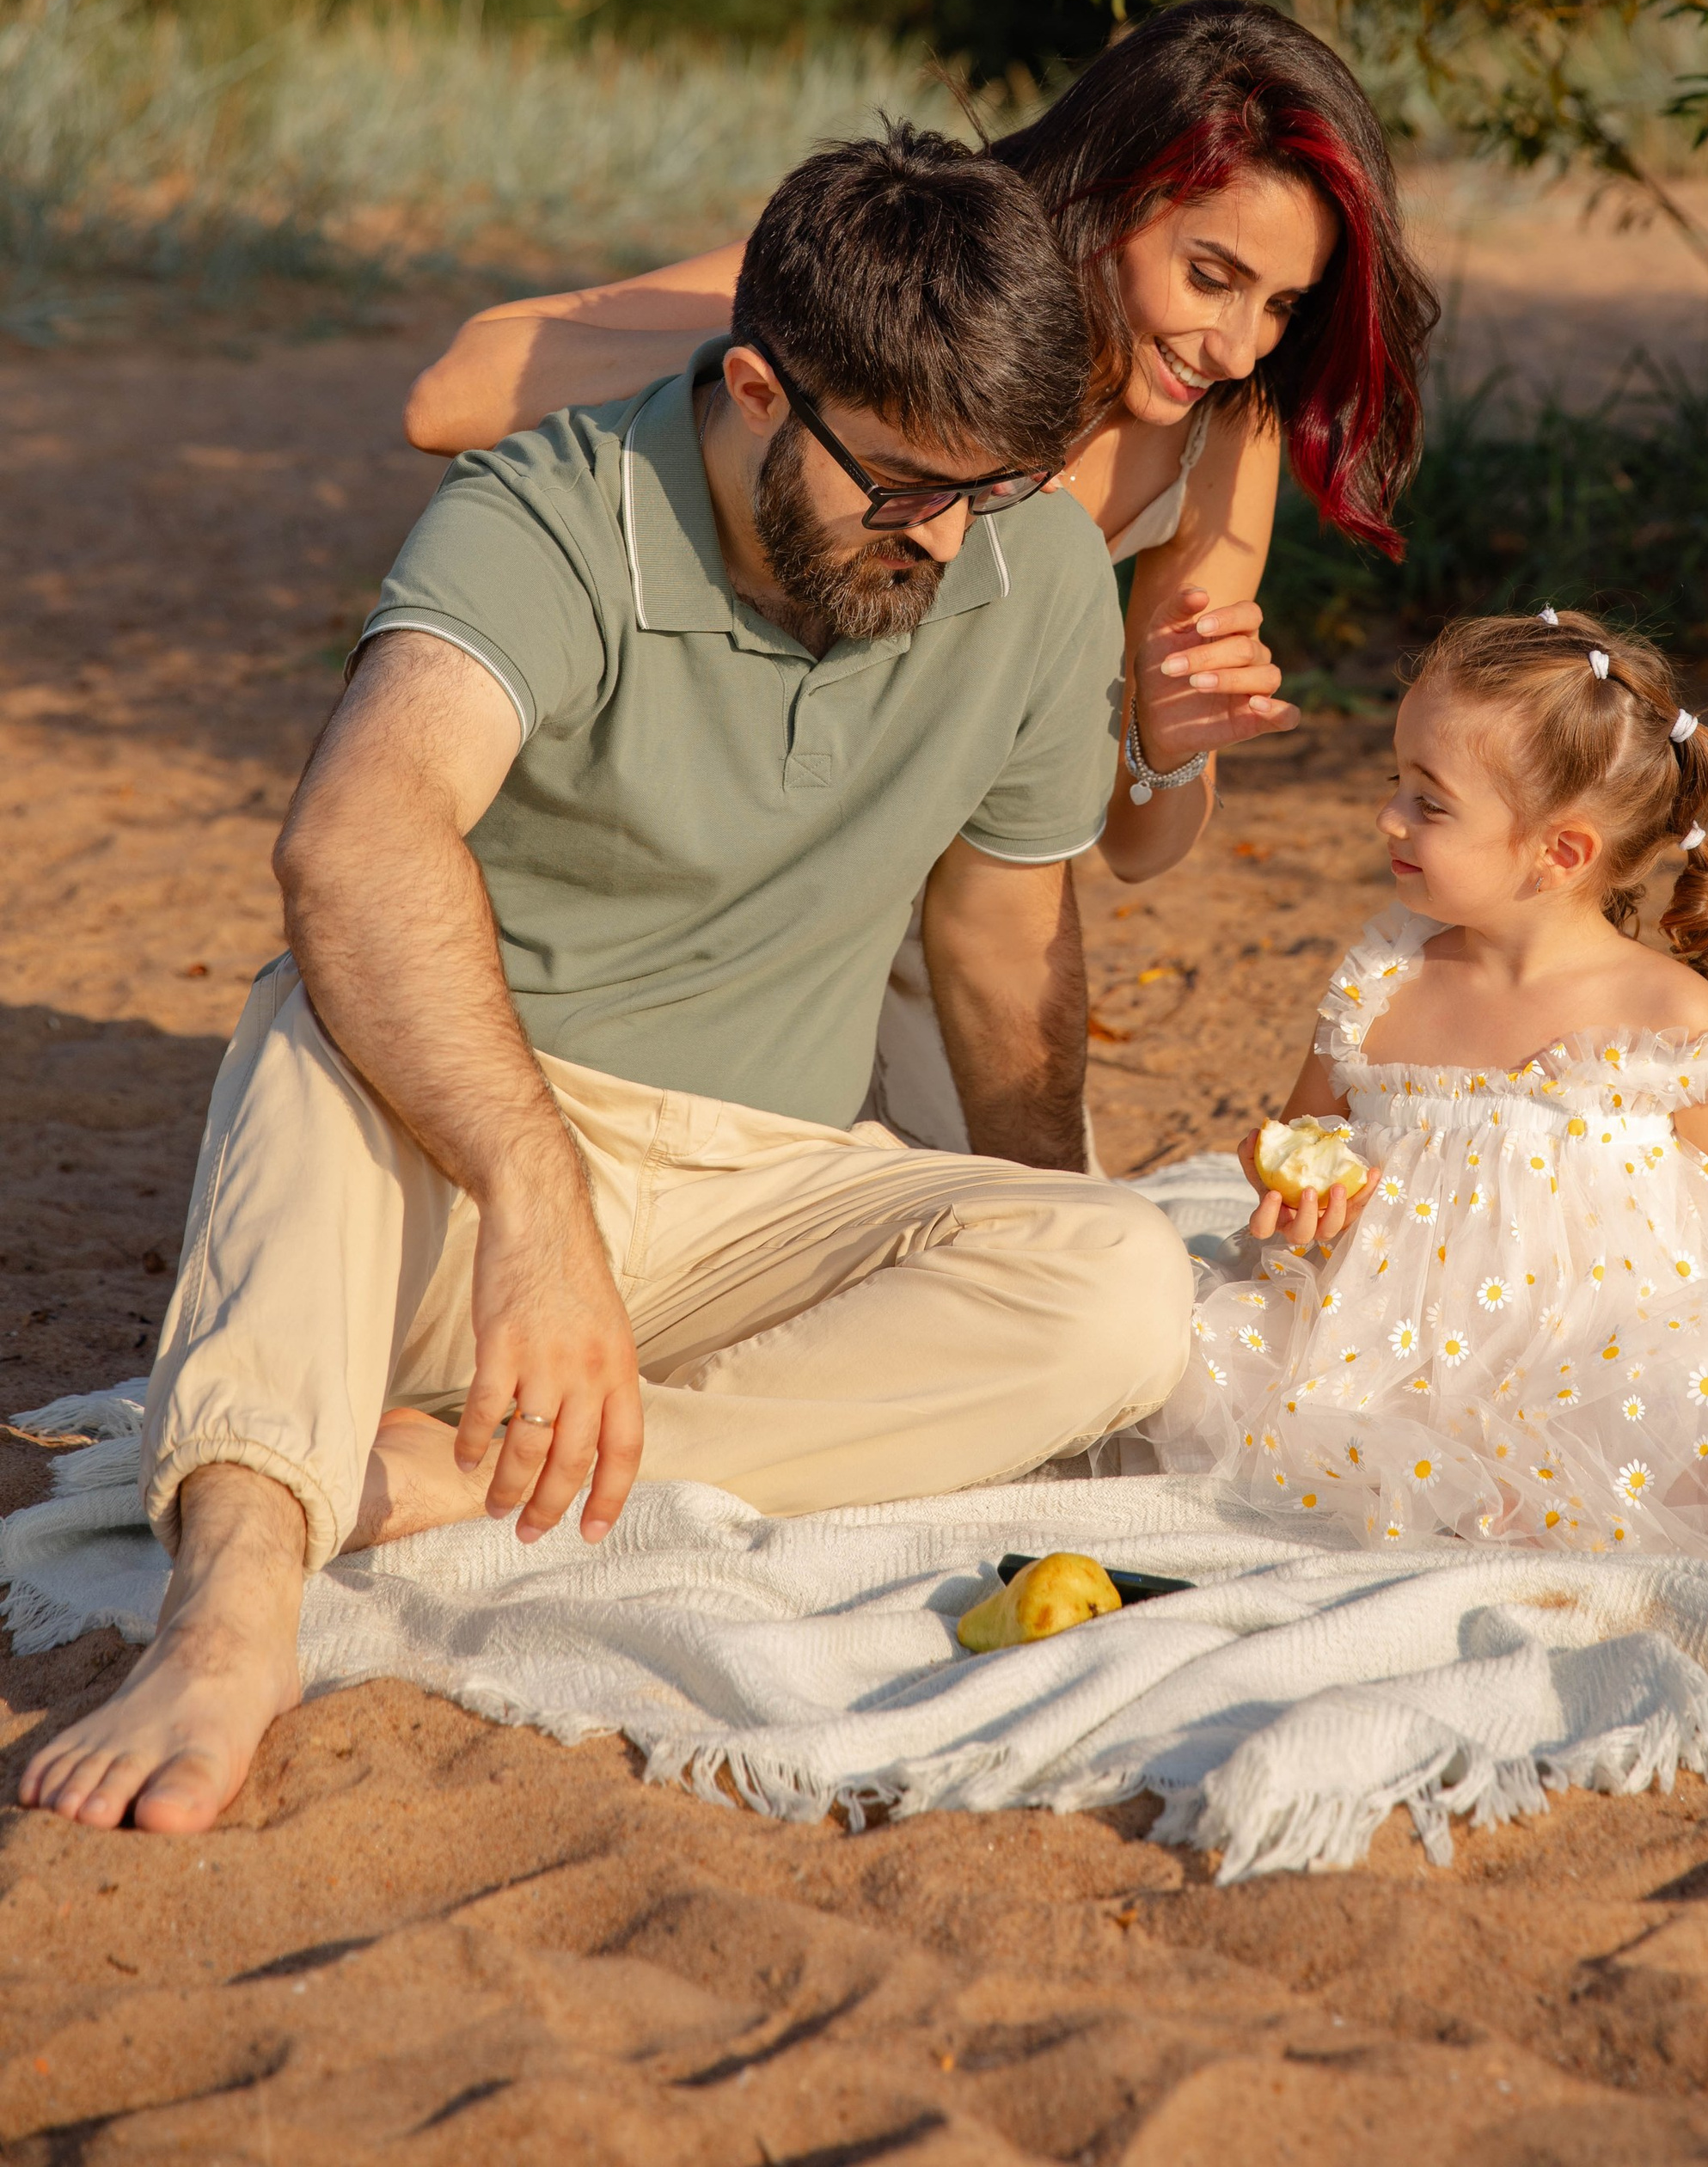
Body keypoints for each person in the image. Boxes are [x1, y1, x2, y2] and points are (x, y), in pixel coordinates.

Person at [21, 127, 1195, 1835]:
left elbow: (1004, 949)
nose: (943, 544)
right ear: (756, 387)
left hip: (758, 1209)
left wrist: (1035, 1289)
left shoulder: (1028, 572)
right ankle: (230, 1614)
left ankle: (454, 1471)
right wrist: (528, 1185)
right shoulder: (546, 514)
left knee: (1120, 1279)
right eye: (906, 485)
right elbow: (360, 835)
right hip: (464, 1175)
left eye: (986, 493)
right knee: (309, 1021)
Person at [405, 0, 1441, 1147]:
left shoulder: (1222, 428)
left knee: (1025, 1221)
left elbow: (1139, 851)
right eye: (1209, 276)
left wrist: (1164, 744)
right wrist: (851, 362)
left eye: (1282, 305)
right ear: (1110, 199)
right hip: (711, 794)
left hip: (945, 856)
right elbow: (449, 395)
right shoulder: (917, 256)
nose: (1241, 344)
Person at [1158, 609, 1708, 1582]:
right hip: (1386, 1347)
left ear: (1559, 853)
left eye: (1429, 803)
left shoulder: (1663, 1014)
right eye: (1396, 782)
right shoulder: (1380, 984)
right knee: (1250, 1404)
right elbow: (1303, 1143)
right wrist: (1299, 1201)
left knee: (1702, 1462)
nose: (1388, 816)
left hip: (1603, 1354)